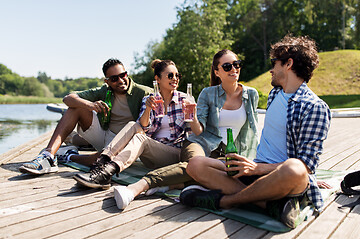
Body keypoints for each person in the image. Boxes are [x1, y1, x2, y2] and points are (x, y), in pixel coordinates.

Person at [180, 35, 332, 229]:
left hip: (283, 177)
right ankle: (270, 205)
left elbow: (306, 165)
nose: (271, 69)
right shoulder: (275, 94)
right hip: (256, 168)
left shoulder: (315, 107)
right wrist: (252, 166)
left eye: (274, 63)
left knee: (294, 168)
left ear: (288, 64)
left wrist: (258, 169)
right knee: (195, 164)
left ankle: (224, 201)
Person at [111, 49, 259, 210]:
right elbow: (198, 131)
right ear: (217, 72)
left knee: (221, 175)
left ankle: (172, 185)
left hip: (230, 151)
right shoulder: (208, 94)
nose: (234, 69)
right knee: (194, 164)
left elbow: (252, 131)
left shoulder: (251, 95)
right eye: (227, 66)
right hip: (201, 143)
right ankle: (137, 187)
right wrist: (193, 116)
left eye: (236, 65)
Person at [73, 59, 192, 207]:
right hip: (153, 155)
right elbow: (143, 126)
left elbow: (194, 133)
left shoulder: (186, 100)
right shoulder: (149, 99)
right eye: (170, 75)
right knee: (133, 125)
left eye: (177, 75)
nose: (175, 79)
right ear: (158, 79)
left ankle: (107, 171)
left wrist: (192, 116)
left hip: (174, 154)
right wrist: (148, 108)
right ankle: (103, 162)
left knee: (140, 138)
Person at [19, 58, 152, 175]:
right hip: (106, 135)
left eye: (123, 75)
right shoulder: (104, 91)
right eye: (114, 78)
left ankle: (69, 156)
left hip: (127, 140)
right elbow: (68, 98)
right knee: (76, 108)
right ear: (107, 81)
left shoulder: (143, 92)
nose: (121, 80)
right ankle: (48, 155)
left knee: (102, 160)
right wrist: (90, 105)